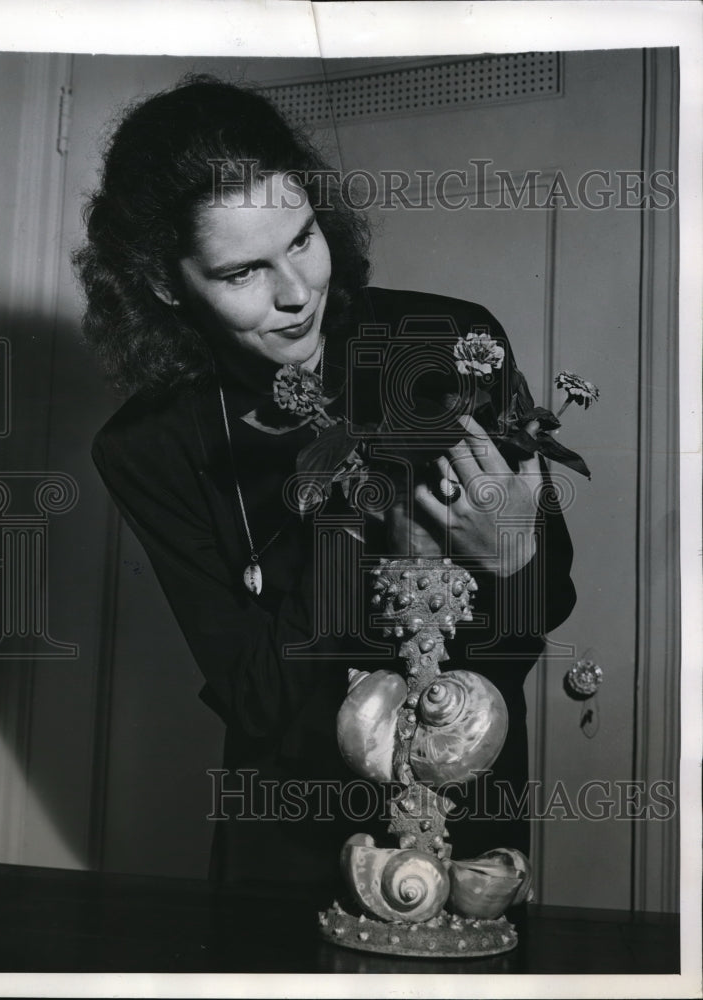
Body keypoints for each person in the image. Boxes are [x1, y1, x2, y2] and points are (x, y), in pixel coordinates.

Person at [75, 74, 576, 898]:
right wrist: (339, 511)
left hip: (464, 824)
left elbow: (543, 606)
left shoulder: (451, 341)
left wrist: (514, 558)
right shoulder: (148, 448)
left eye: (303, 239)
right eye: (241, 273)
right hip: (285, 840)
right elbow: (263, 703)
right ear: (168, 286)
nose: (296, 293)